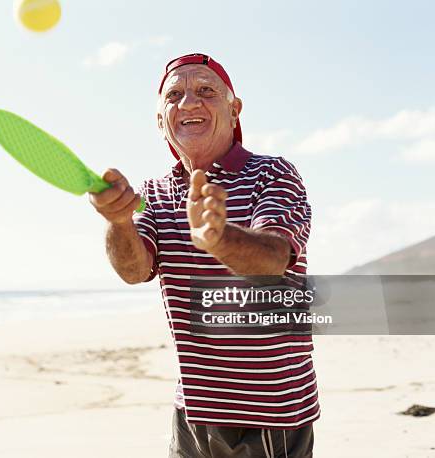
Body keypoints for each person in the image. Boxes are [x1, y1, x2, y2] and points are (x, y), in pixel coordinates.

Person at [89, 53, 319, 458]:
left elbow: (272, 259)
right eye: (174, 95)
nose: (189, 103)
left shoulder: (274, 174)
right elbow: (134, 270)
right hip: (193, 409)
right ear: (161, 121)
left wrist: (218, 238)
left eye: (206, 91)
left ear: (234, 110)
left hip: (272, 409)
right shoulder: (155, 194)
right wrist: (120, 221)